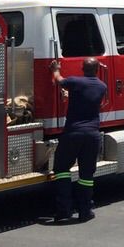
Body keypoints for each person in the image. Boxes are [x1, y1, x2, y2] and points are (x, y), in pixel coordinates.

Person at [49, 57, 107, 222]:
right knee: (86, 175)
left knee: (61, 169)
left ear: (82, 68)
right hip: (93, 135)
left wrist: (55, 69)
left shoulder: (75, 82)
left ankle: (64, 210)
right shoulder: (102, 86)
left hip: (73, 133)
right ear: (97, 70)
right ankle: (85, 211)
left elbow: (59, 80)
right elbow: (87, 97)